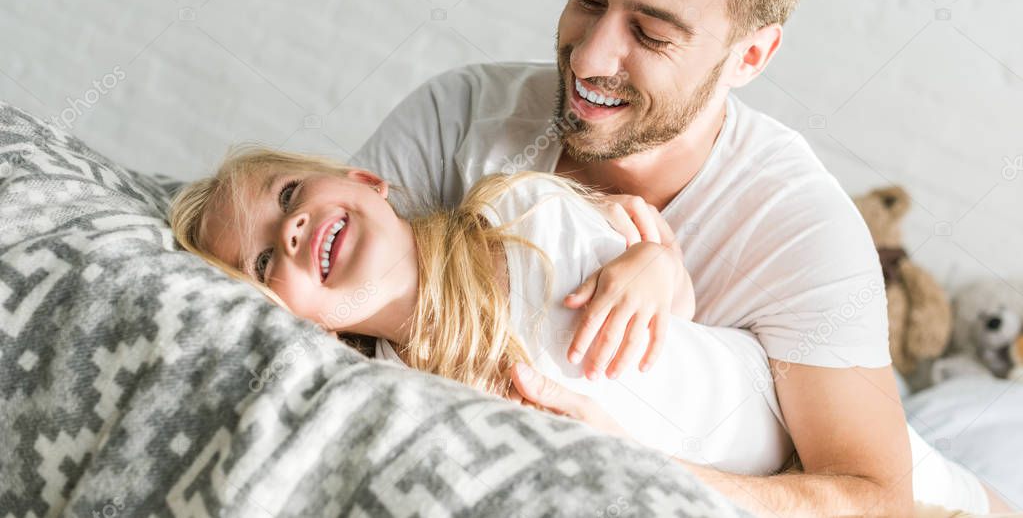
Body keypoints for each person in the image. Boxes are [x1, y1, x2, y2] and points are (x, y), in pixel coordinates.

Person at [348, 0, 1013, 514]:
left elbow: (876, 495)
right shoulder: (460, 118)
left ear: (750, 56)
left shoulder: (799, 231)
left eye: (651, 34)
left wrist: (627, 465)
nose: (589, 57)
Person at [169, 147, 994, 513]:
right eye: (263, 262)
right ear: (292, 325)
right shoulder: (398, 387)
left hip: (831, 449)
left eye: (287, 195)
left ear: (364, 179)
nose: (291, 229)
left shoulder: (518, 210)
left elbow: (672, 312)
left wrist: (659, 268)